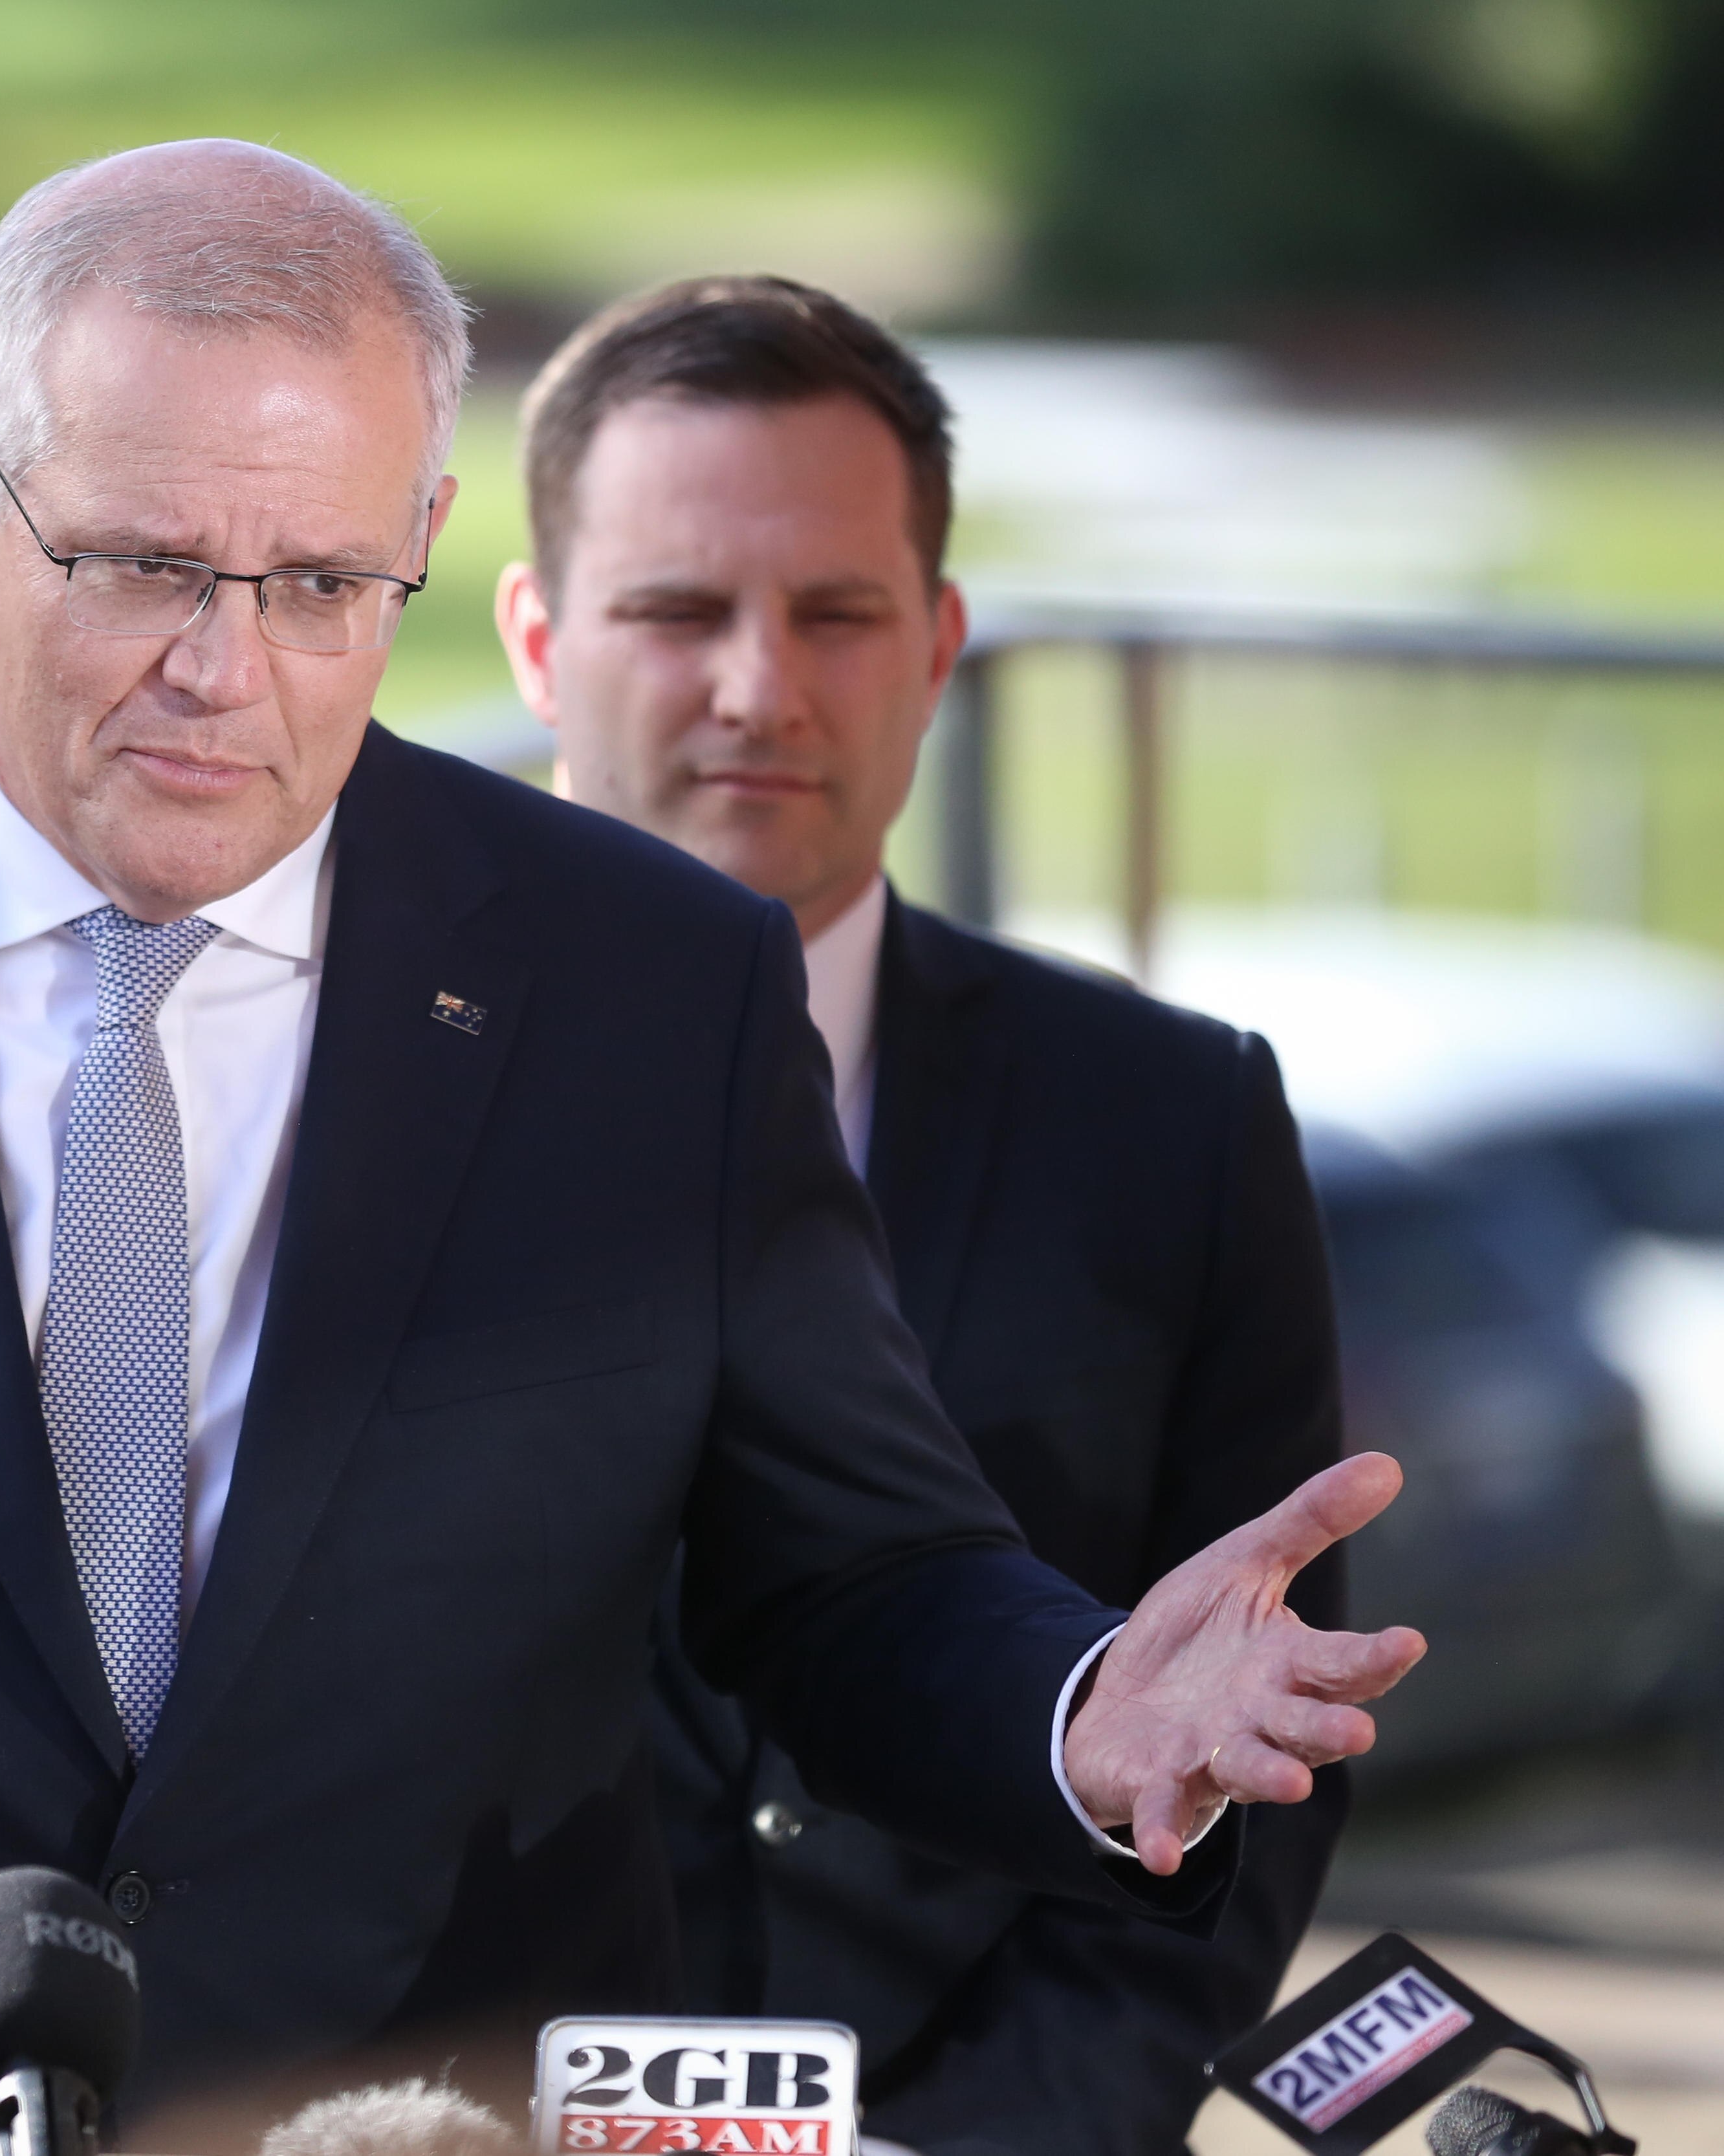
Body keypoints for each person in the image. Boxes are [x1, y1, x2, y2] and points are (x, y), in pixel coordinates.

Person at [0, 146, 1420, 2144]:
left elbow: (854, 1575)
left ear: (415, 547)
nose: (229, 666)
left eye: (317, 588)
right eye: (143, 566)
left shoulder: (652, 989)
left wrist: (1079, 1712)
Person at [493, 275, 1348, 2156]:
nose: (759, 688)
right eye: (675, 611)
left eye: (838, 613)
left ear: (943, 640)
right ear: (541, 641)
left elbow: (1231, 1782)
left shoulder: (1178, 1123)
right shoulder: (306, 1073)